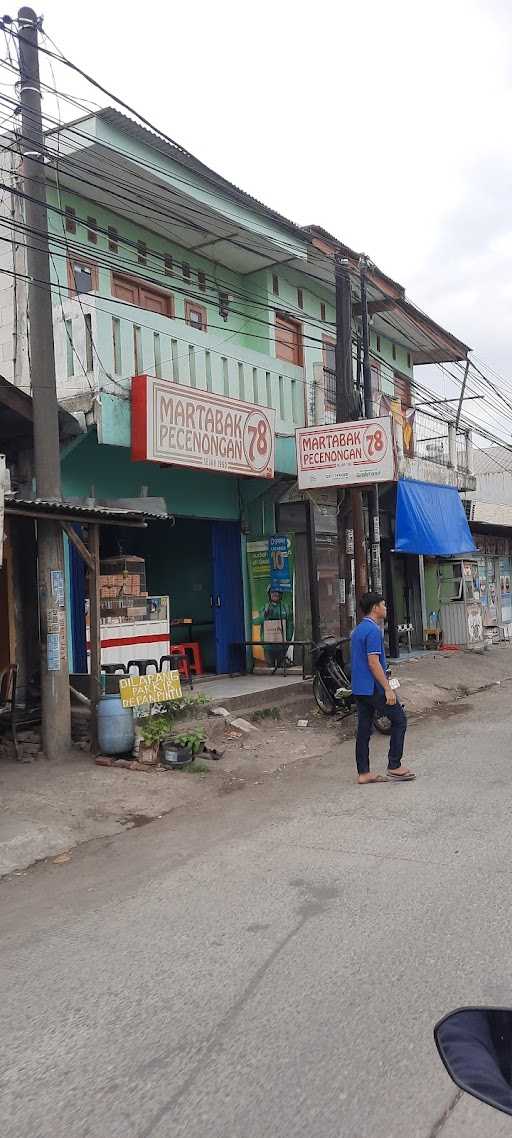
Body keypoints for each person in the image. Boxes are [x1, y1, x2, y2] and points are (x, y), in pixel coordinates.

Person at [350, 591, 415, 785]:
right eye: (384, 605)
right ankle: (394, 766)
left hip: (360, 687)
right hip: (373, 687)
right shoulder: (373, 631)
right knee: (400, 720)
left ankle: (364, 772)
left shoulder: (358, 630)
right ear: (375, 607)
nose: (386, 608)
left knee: (364, 729)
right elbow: (373, 662)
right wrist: (387, 688)